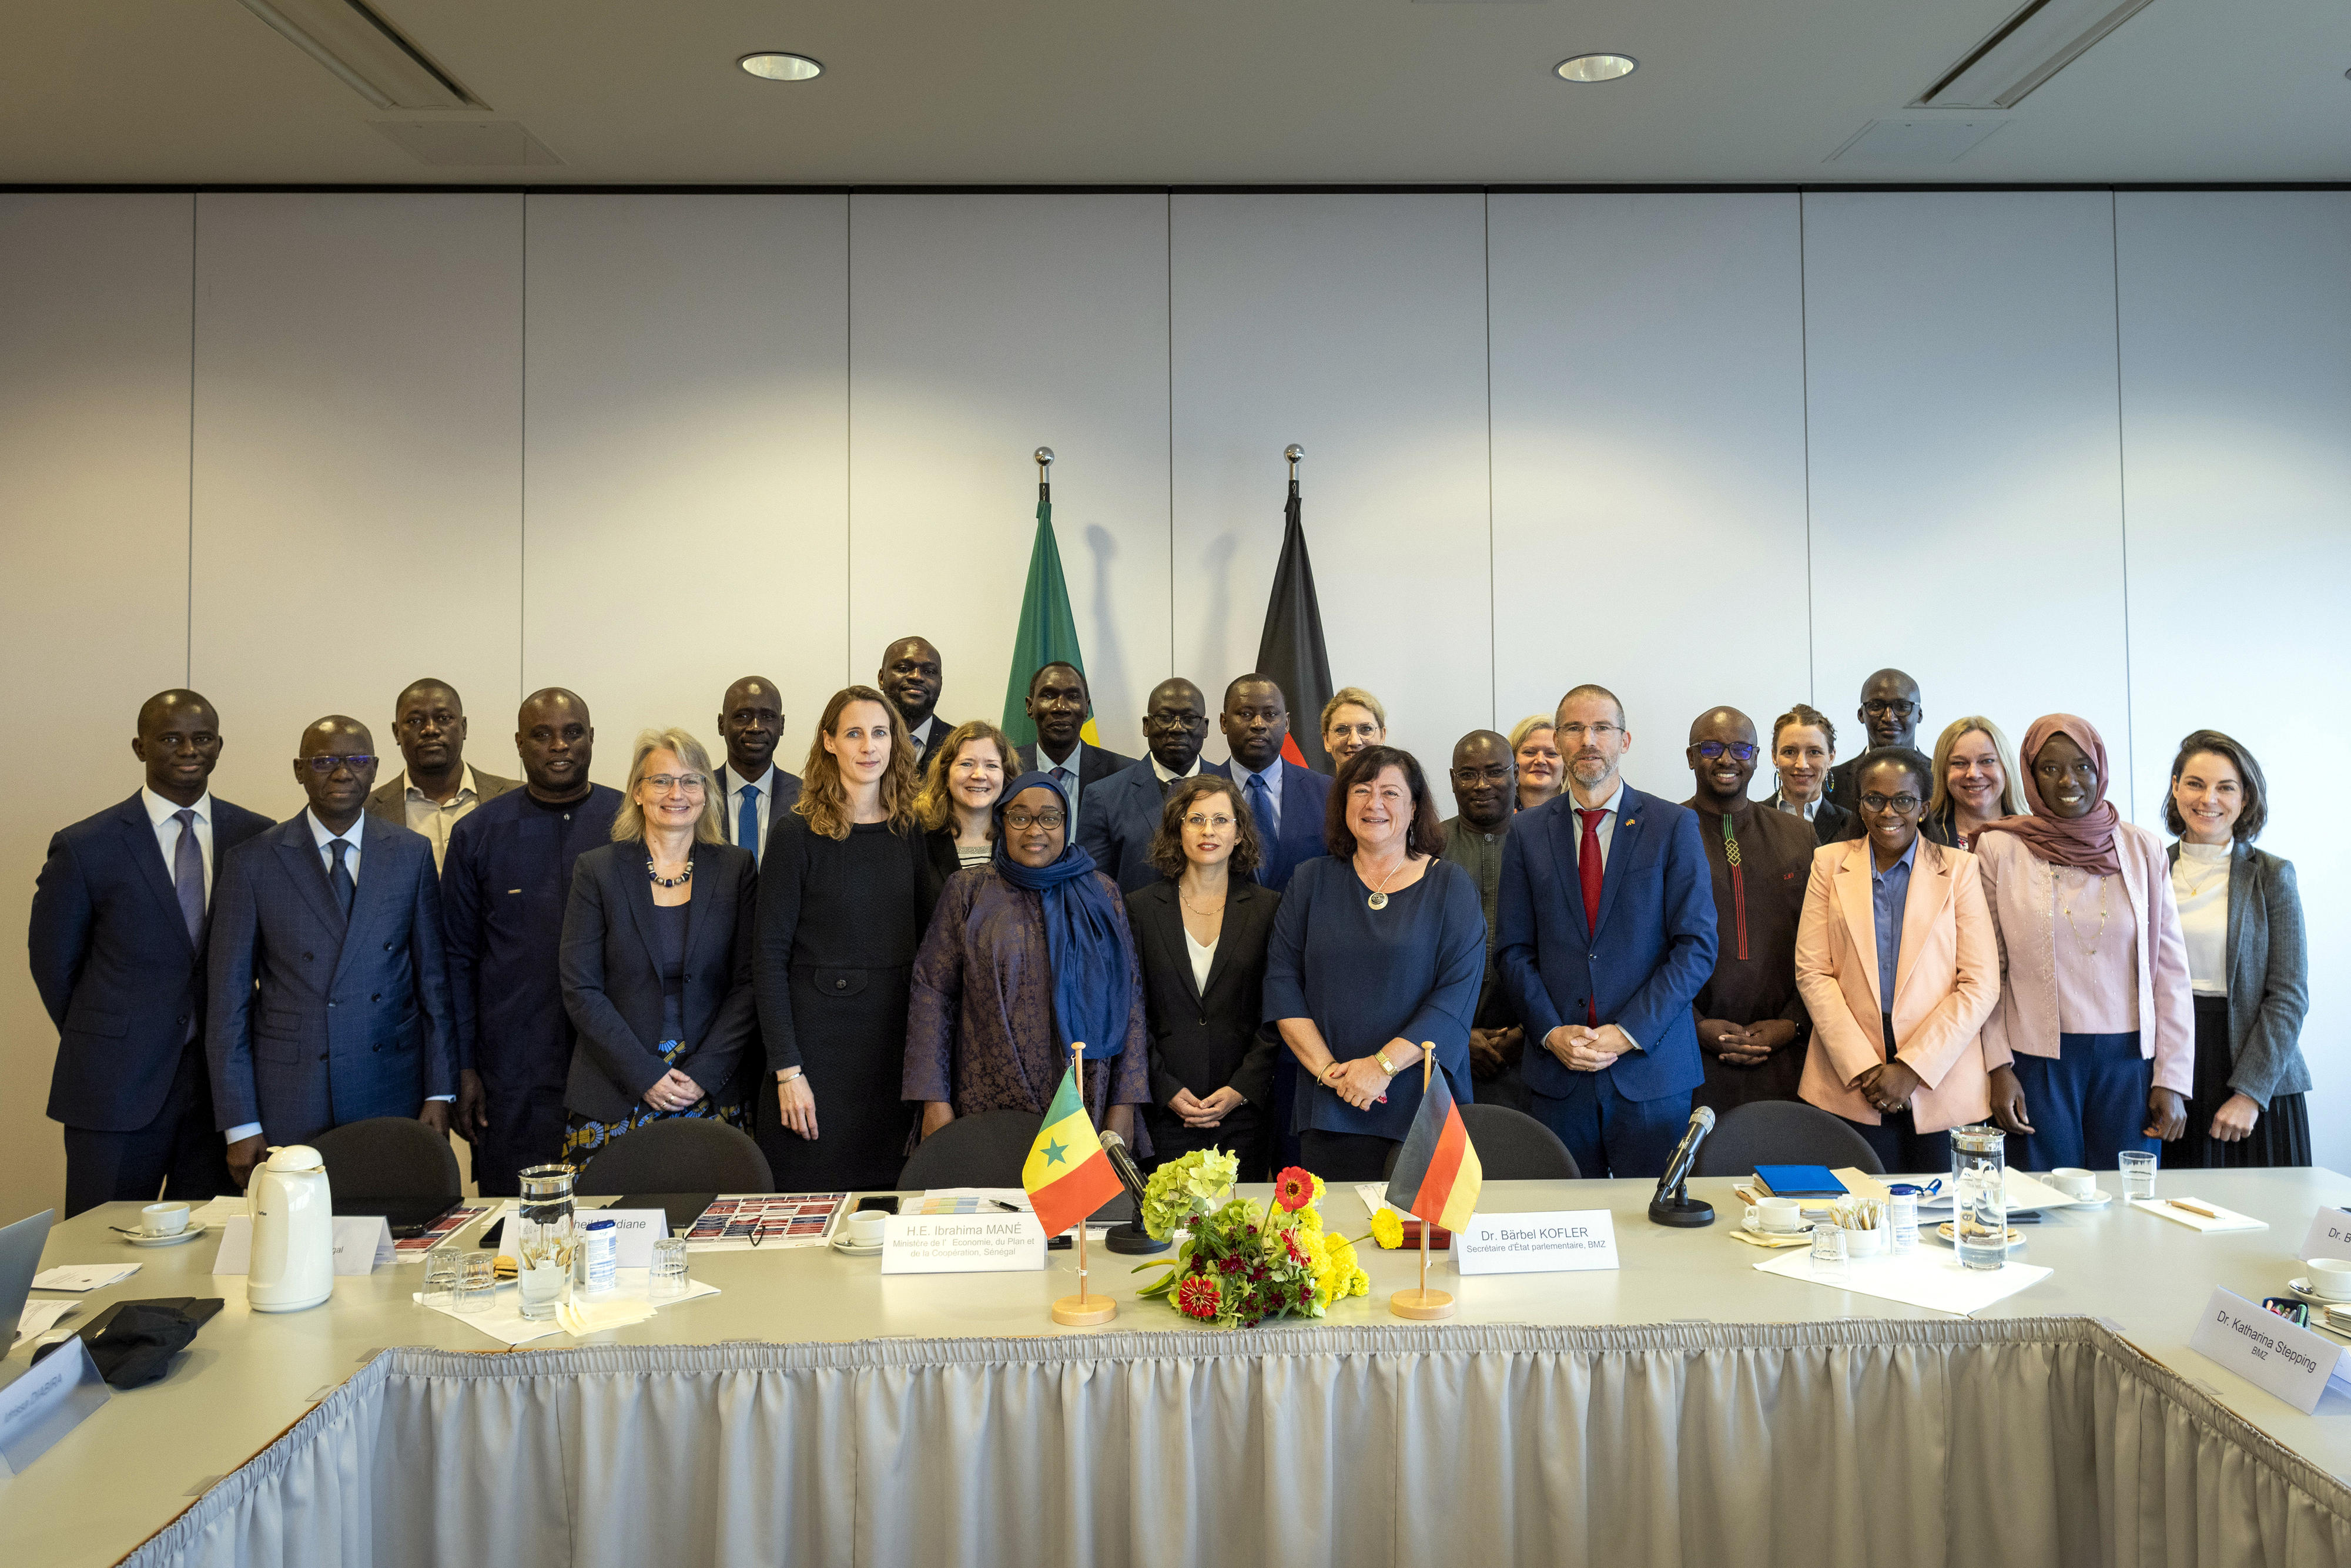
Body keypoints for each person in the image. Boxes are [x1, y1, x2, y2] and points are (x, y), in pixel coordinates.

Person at [30, 691, 272, 1217]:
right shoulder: (85, 845)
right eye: (170, 738)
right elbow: (53, 965)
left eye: (201, 737)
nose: (189, 749)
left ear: (219, 746)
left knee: (210, 1257)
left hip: (220, 1097)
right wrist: (110, 1038)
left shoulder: (257, 838)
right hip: (115, 1087)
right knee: (100, 1253)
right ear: (140, 747)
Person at [208, 717, 454, 1188]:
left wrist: (438, 1092)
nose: (343, 773)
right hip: (291, 1092)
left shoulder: (410, 853)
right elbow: (228, 1004)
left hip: (390, 1085)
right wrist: (240, 1122)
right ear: (300, 771)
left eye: (357, 760)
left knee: (392, 1235)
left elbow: (433, 985)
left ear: (376, 768)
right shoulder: (253, 861)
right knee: (299, 1242)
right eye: (324, 761)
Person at [1498, 685, 1717, 1179]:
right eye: (1574, 729)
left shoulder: (1673, 825)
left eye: (1602, 728)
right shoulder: (1527, 832)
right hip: (1560, 1074)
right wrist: (1552, 1033)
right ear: (1558, 740)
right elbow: (1513, 950)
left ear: (1625, 740)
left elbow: (1696, 947)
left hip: (1651, 1072)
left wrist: (1628, 1032)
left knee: (1653, 1232)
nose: (1588, 740)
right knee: (1563, 1229)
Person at [1978, 715, 2193, 1171]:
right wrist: (1998, 1067)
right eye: (2050, 769)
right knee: (2044, 1204)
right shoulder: (2000, 849)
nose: (2068, 781)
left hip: (2130, 1062)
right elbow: (1987, 970)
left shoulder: (2144, 848)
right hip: (2037, 1062)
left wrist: (2172, 1079)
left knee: (2128, 1206)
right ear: (2031, 777)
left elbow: (2170, 972)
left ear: (2100, 769)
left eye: (2081, 766)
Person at [1265, 746, 1485, 1181]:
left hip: (1422, 1098)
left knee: (1420, 1247)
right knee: (1335, 1243)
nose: (1374, 804)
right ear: (1343, 802)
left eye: (1390, 792)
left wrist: (1380, 1067)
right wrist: (1333, 1074)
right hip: (1332, 1099)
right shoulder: (1310, 880)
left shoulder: (1451, 885)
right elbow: (1282, 984)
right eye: (1361, 790)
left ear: (1414, 806)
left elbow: (1456, 998)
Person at [752, 688, 937, 1189]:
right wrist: (787, 1070)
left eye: (880, 733)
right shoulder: (796, 833)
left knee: (885, 1207)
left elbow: (932, 947)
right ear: (829, 742)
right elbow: (767, 959)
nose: (868, 746)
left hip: (891, 1056)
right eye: (854, 733)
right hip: (814, 1058)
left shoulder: (909, 829)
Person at [439, 689, 621, 1195]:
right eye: (542, 735)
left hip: (616, 1063)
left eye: (572, 732)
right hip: (513, 1070)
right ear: (519, 744)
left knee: (617, 1217)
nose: (558, 745)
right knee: (518, 1226)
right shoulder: (478, 833)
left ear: (591, 739)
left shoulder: (632, 822)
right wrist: (464, 1067)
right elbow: (455, 959)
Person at [906, 774, 1151, 1145]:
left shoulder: (1104, 894)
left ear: (1066, 825)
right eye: (1020, 817)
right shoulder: (967, 890)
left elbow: (1129, 1000)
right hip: (986, 1097)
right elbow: (932, 997)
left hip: (1086, 1098)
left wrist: (1125, 1105)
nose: (1035, 830)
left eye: (1050, 818)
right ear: (1002, 823)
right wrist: (933, 1100)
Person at [1793, 748, 1998, 1172]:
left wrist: (1912, 1067)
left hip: (1941, 1074)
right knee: (1855, 1218)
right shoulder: (1828, 864)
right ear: (1859, 804)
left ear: (1923, 807)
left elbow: (1980, 984)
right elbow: (1813, 971)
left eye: (1903, 800)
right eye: (1874, 799)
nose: (1889, 812)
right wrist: (1864, 1066)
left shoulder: (1960, 869)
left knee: (1943, 1221)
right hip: (1850, 1078)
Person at [558, 729, 758, 1163]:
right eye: (661, 780)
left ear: (707, 792)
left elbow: (749, 983)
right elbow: (581, 989)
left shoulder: (736, 869)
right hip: (615, 1087)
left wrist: (702, 1075)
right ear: (637, 791)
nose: (677, 793)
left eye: (691, 780)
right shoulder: (598, 871)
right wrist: (644, 1073)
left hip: (709, 1087)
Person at [2163, 731, 2310, 1168]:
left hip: (2252, 1068)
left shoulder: (2271, 875)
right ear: (2175, 788)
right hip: (2173, 1071)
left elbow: (2289, 996)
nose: (2209, 798)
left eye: (2226, 787)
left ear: (2245, 798)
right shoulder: (2148, 867)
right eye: (2195, 783)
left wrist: (2249, 1093)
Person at [1126, 776, 1281, 1177]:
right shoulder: (1139, 910)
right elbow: (1130, 1012)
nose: (1208, 830)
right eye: (1195, 819)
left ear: (1240, 834)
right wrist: (1165, 1089)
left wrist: (1242, 1090)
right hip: (1166, 1114)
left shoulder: (1269, 910)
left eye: (1221, 820)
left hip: (1243, 1116)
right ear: (1177, 831)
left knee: (1241, 1235)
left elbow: (1278, 1011)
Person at [1683, 707, 1816, 1114]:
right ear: (1690, 758)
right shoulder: (1664, 832)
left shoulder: (1798, 835)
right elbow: (1643, 948)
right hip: (1689, 1052)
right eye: (1711, 747)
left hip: (1787, 1051)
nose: (1727, 759)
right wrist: (1693, 1023)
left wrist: (1791, 1023)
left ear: (1759, 757)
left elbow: (1824, 943)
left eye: (1741, 748)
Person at [1441, 730, 1531, 1114]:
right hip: (1440, 1052)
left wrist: (1530, 1033)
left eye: (1495, 772)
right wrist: (1453, 1036)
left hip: (1535, 1052)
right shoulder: (1423, 845)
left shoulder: (1549, 841)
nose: (1481, 786)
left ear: (1516, 775)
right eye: (1468, 774)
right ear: (1451, 779)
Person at [363, 679, 517, 871]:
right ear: (396, 733)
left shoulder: (515, 798)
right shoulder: (367, 813)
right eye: (415, 721)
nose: (430, 730)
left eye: (444, 718)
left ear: (464, 728)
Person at [1077, 678, 1212, 892]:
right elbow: (1093, 891)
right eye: (1165, 718)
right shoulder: (1103, 797)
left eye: (1189, 718)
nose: (1177, 728)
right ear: (1147, 726)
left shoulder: (1230, 788)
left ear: (1204, 728)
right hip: (1133, 925)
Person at [1205, 675, 1334, 893]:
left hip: (1305, 925)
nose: (1258, 724)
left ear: (1286, 723)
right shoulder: (1195, 795)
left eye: (1270, 715)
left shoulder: (1327, 792)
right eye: (1246, 714)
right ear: (1224, 723)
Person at [1014, 662, 1136, 825]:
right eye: (1049, 696)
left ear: (1087, 708)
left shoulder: (1124, 774)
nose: (1061, 708)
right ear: (1030, 707)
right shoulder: (1006, 769)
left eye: (1073, 697)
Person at [710, 675, 803, 866]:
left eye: (767, 717)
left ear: (782, 725)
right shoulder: (697, 794)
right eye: (742, 716)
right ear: (721, 724)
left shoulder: (807, 798)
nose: (755, 727)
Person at [915, 718, 1014, 896]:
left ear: (1006, 777)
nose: (979, 775)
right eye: (967, 764)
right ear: (946, 774)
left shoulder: (1017, 843)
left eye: (991, 765)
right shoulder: (917, 840)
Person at [1823, 670, 1921, 813]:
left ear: (1919, 715)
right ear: (1861, 715)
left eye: (1902, 707)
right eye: (1876, 707)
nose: (1889, 717)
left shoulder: (1942, 779)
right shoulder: (1831, 784)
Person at [1925, 716, 2024, 851]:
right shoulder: (1921, 838)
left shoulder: (2034, 837)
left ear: (2006, 767)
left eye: (1987, 761)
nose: (1973, 774)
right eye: (1959, 763)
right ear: (1943, 772)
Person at [1767, 703, 1854, 846]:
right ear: (1774, 757)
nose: (1802, 765)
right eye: (1790, 752)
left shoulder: (1851, 825)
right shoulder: (1750, 821)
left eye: (1814, 752)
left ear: (1831, 758)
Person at [878, 636, 949, 774]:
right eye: (904, 668)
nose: (917, 676)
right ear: (882, 678)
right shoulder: (858, 742)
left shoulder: (962, 745)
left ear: (940, 683)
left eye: (928, 672)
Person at [1320, 687, 1387, 772]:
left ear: (1382, 736)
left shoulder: (1403, 785)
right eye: (1342, 730)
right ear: (1327, 740)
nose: (1355, 742)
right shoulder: (1313, 785)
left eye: (1366, 729)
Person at [1508, 716, 1563, 813]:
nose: (1540, 760)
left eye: (1552, 754)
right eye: (1529, 752)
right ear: (1512, 760)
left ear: (1566, 765)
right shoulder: (1495, 816)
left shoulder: (1580, 816)